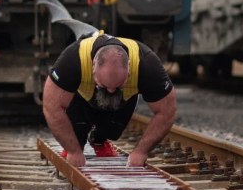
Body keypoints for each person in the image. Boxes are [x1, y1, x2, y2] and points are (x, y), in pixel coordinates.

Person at [42, 32, 177, 167]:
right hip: (82, 99)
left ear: (129, 67)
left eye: (118, 86)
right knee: (78, 132)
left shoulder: (147, 64)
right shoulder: (73, 58)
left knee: (113, 130)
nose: (111, 90)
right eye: (104, 85)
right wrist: (73, 151)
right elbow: (51, 106)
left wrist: (141, 152)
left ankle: (99, 140)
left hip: (122, 102)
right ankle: (77, 141)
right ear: (93, 65)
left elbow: (167, 111)